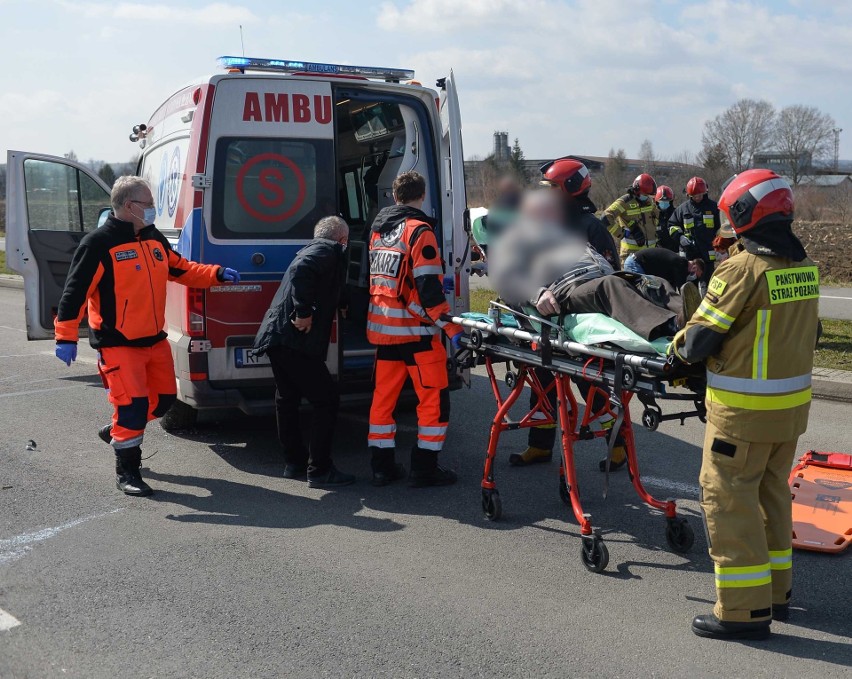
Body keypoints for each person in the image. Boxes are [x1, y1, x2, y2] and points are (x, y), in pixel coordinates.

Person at [670, 169, 820, 641]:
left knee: (729, 504)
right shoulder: (803, 268)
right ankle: (777, 594)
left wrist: (673, 351)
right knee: (771, 498)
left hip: (741, 416)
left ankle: (742, 612)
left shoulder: (741, 269)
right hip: (788, 415)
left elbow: (697, 342)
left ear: (743, 213)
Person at [53, 176, 240, 496]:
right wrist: (65, 336)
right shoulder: (99, 244)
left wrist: (216, 274)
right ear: (129, 206)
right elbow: (75, 293)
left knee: (165, 400)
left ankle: (117, 431)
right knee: (133, 407)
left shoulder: (153, 238)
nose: (153, 209)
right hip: (118, 345)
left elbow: (181, 269)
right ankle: (127, 471)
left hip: (154, 341)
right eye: (149, 204)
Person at [510, 158, 620, 468]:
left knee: (590, 385)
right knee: (542, 382)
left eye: (551, 189)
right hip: (544, 322)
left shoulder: (592, 228)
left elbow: (609, 282)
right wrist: (537, 293)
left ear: (571, 189)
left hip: (579, 326)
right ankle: (540, 446)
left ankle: (618, 443)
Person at [366, 171, 464, 487]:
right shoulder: (419, 231)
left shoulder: (378, 232)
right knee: (433, 400)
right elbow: (427, 289)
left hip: (384, 333)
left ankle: (381, 468)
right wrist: (453, 331)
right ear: (422, 197)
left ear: (394, 197)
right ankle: (424, 468)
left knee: (383, 402)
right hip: (418, 335)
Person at [252, 216, 354, 488]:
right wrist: (304, 312)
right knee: (327, 400)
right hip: (294, 340)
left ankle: (294, 462)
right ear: (342, 239)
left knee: (287, 399)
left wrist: (342, 303)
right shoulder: (326, 251)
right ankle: (319, 470)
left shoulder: (314, 248)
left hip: (277, 338)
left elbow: (328, 283)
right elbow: (303, 271)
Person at [539, 157, 619, 269]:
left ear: (572, 186)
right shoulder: (551, 224)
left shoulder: (594, 228)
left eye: (554, 186)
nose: (550, 192)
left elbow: (612, 274)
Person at [668, 176, 720, 291]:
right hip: (689, 257)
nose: (697, 198)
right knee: (690, 288)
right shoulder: (682, 209)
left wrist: (721, 248)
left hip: (707, 255)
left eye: (700, 195)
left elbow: (721, 229)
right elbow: (671, 226)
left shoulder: (714, 208)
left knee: (709, 286)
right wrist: (680, 237)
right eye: (694, 196)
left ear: (705, 192)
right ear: (688, 195)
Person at [601, 173, 659, 266]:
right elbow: (605, 217)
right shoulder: (625, 202)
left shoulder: (648, 201)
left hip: (649, 253)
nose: (646, 197)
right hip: (631, 255)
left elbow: (656, 216)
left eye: (648, 195)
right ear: (636, 190)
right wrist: (622, 233)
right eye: (644, 194)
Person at [623, 247, 704, 289]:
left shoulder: (678, 264)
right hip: (635, 264)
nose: (694, 277)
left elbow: (670, 287)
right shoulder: (680, 265)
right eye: (696, 275)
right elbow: (682, 289)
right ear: (695, 267)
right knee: (642, 295)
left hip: (637, 263)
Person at [654, 185, 678, 252]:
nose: (664, 204)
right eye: (661, 202)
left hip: (675, 251)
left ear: (671, 202)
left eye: (666, 201)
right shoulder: (653, 215)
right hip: (657, 252)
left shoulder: (676, 214)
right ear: (657, 202)